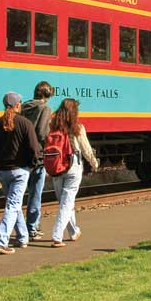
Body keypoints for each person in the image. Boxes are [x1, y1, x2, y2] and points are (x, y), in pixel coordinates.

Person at [0, 91, 42, 254]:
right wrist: (32, 165)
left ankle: (23, 238)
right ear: (18, 105)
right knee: (12, 205)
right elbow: (34, 148)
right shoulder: (25, 124)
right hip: (20, 171)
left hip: (3, 172)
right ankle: (1, 241)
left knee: (13, 205)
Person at [48, 98, 100, 247]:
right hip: (73, 166)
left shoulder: (52, 126)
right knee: (67, 202)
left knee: (64, 202)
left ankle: (73, 232)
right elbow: (86, 148)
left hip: (56, 166)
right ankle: (57, 235)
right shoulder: (78, 127)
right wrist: (94, 162)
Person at [21, 81, 54, 239]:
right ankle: (32, 228)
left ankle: (21, 228)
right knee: (35, 193)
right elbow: (42, 133)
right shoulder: (45, 108)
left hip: (21, 155)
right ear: (47, 95)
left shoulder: (22, 108)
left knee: (19, 194)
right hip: (37, 156)